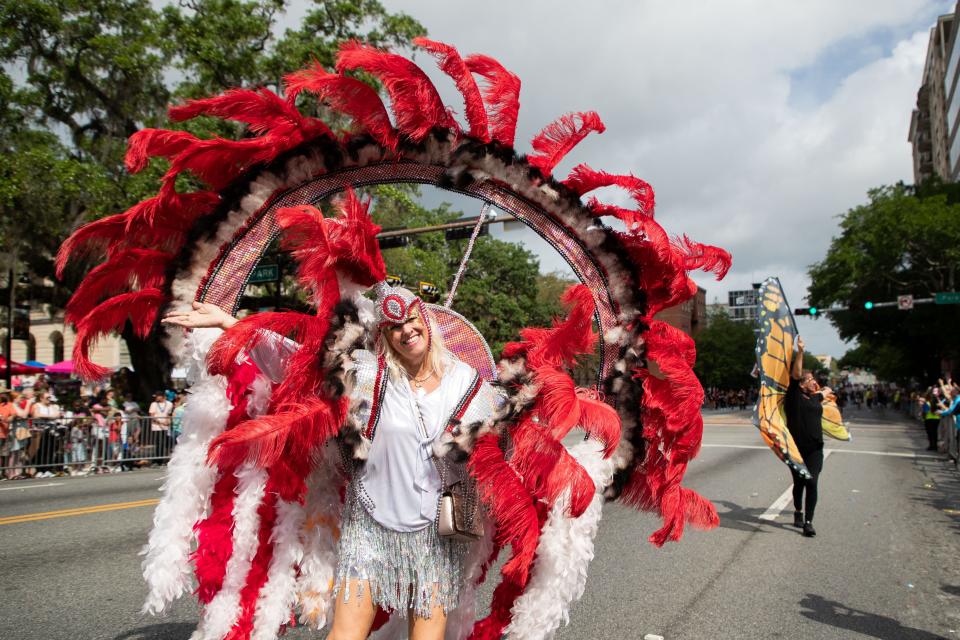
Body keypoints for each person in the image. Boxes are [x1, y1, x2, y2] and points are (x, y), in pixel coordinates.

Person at [163, 283, 497, 640]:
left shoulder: (467, 382)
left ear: (427, 322)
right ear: (384, 334)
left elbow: (504, 438)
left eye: (412, 320)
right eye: (395, 326)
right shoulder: (369, 375)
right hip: (370, 528)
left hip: (436, 533)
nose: (407, 331)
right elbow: (300, 364)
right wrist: (234, 324)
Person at [784, 337, 828, 538]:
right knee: (799, 482)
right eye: (810, 380)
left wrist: (826, 391)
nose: (814, 383)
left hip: (815, 449)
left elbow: (824, 394)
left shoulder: (814, 397)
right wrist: (799, 352)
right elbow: (795, 375)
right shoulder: (794, 397)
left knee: (811, 482)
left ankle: (808, 522)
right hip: (796, 449)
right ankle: (798, 511)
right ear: (802, 384)